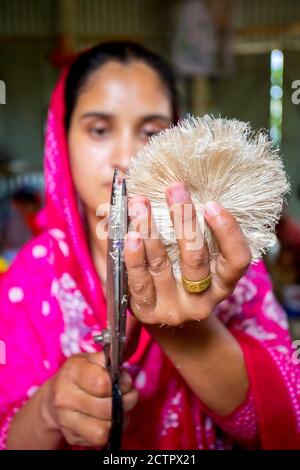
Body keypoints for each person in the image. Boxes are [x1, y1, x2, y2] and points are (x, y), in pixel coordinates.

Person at [0, 41, 300, 450]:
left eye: (151, 131)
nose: (125, 155)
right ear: (61, 139)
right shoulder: (32, 276)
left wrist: (184, 330)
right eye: (99, 129)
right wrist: (49, 410)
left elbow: (282, 425)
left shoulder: (231, 261)